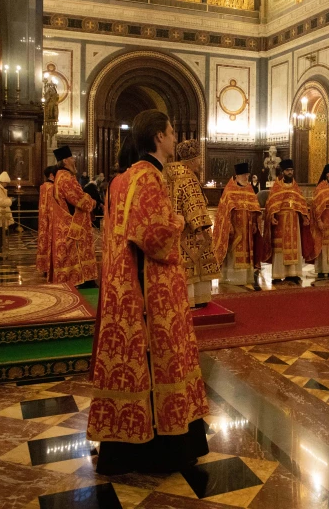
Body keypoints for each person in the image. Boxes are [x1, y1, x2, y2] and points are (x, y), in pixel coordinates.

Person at [88, 110, 209, 475]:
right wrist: (181, 220)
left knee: (134, 365)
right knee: (160, 360)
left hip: (123, 289)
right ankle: (164, 449)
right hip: (151, 291)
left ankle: (125, 447)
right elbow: (154, 237)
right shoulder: (150, 178)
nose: (175, 139)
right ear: (158, 137)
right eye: (172, 133)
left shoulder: (121, 180)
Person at [165, 139, 220, 308]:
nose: (200, 163)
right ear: (193, 160)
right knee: (195, 262)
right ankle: (196, 298)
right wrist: (200, 230)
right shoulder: (188, 176)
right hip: (190, 231)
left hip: (173, 227)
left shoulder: (168, 172)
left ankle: (180, 297)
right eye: (199, 160)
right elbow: (193, 204)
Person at [49, 146, 98, 286]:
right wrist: (93, 202)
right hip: (74, 224)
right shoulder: (66, 178)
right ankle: (81, 280)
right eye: (71, 158)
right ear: (65, 161)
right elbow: (80, 199)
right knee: (76, 253)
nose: (74, 160)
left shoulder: (59, 177)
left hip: (68, 223)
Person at [212, 162, 263, 288]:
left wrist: (256, 222)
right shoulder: (229, 190)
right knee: (233, 253)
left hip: (248, 227)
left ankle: (246, 277)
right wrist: (228, 225)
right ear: (237, 175)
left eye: (247, 175)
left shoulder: (250, 189)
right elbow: (223, 212)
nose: (246, 177)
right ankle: (232, 277)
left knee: (247, 252)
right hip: (235, 228)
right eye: (244, 175)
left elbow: (255, 208)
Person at [262, 159, 311, 285]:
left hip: (294, 220)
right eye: (288, 170)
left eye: (292, 170)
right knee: (280, 249)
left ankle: (293, 274)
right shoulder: (277, 187)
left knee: (294, 248)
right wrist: (272, 216)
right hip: (281, 222)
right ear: (283, 172)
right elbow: (271, 203)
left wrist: (304, 216)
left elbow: (301, 203)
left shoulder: (295, 187)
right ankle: (278, 274)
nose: (290, 173)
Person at [35, 166, 58, 275]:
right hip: (52, 218)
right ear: (52, 175)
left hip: (44, 218)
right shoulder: (52, 187)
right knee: (51, 242)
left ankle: (45, 267)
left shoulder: (43, 186)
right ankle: (50, 267)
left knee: (45, 241)